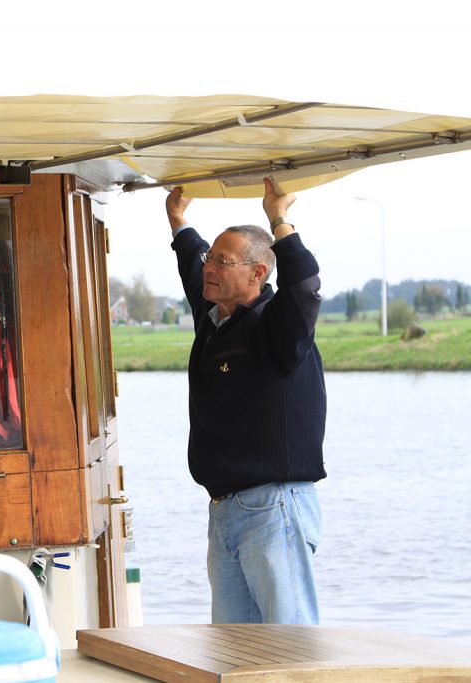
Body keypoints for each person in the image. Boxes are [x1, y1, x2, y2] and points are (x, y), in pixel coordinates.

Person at [166, 177, 326, 624]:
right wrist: (179, 221)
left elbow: (305, 284)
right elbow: (190, 266)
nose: (208, 268)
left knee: (292, 645)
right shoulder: (215, 320)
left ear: (257, 273)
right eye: (209, 259)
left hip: (273, 507)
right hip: (225, 510)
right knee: (234, 650)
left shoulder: (280, 326)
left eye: (221, 261)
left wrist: (279, 219)